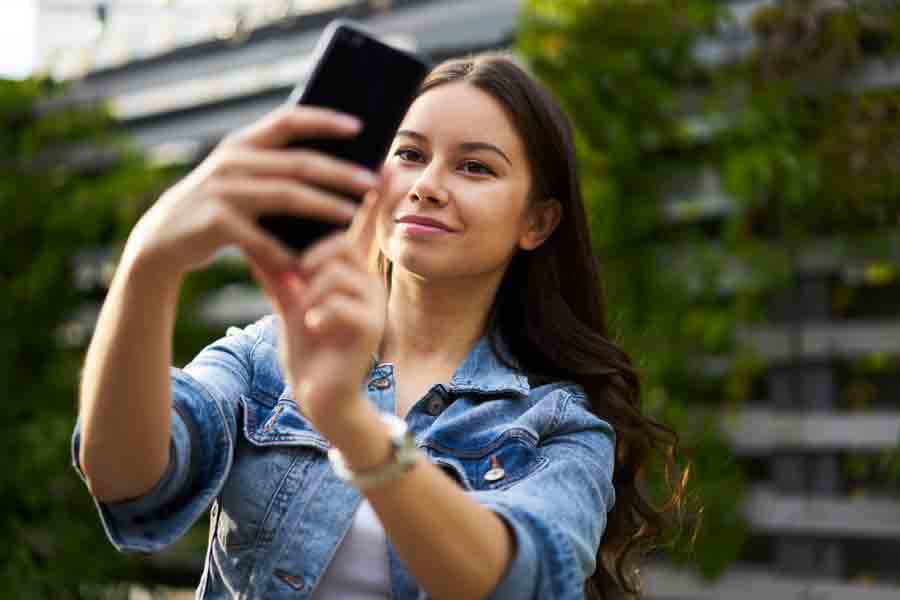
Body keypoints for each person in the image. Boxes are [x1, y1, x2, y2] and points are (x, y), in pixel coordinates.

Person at [72, 51, 689, 600]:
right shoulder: (270, 354)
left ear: (538, 223)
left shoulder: (558, 422)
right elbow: (125, 478)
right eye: (410, 154)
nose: (426, 186)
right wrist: (149, 264)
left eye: (474, 168)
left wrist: (352, 424)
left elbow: (518, 580)